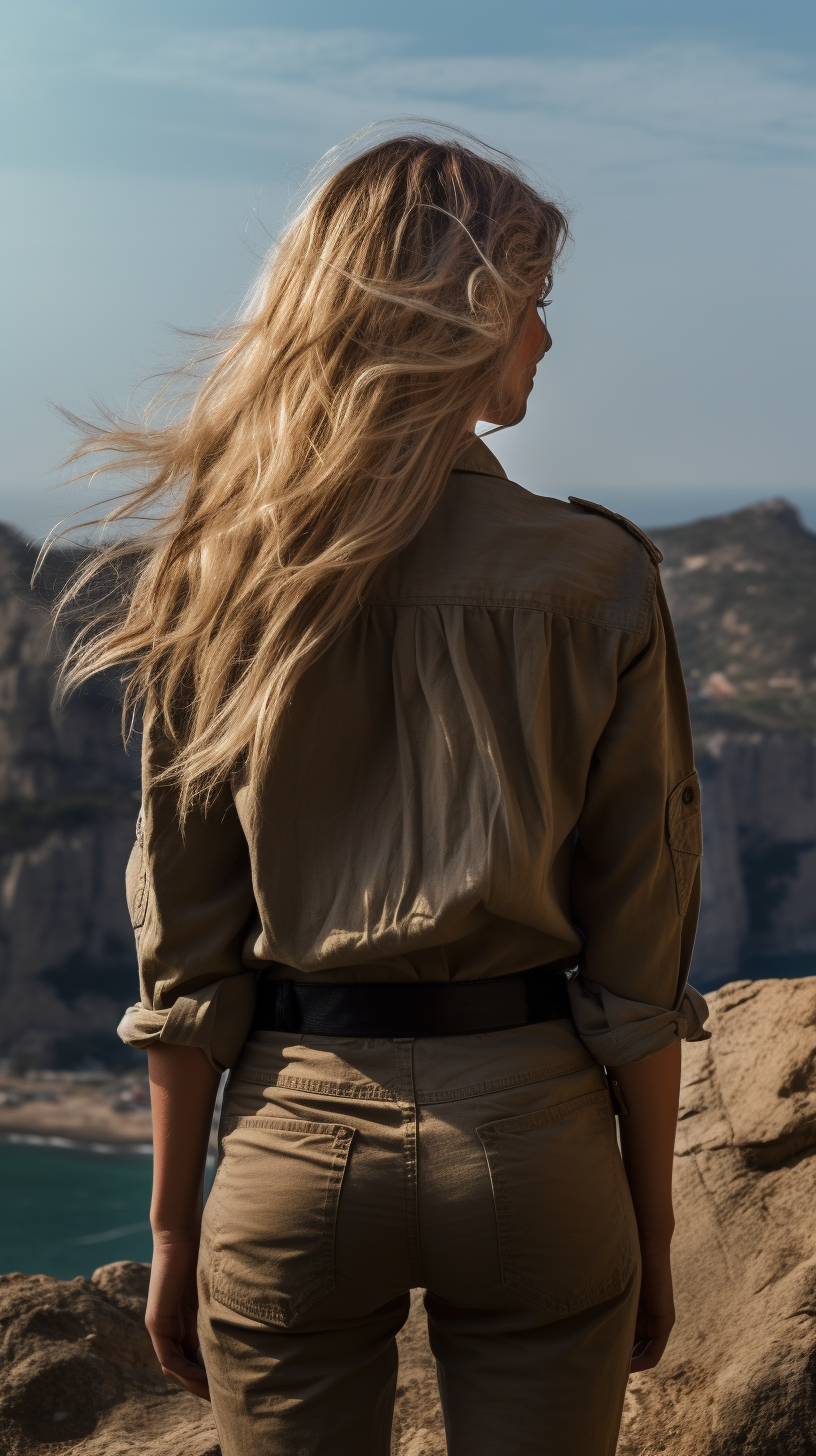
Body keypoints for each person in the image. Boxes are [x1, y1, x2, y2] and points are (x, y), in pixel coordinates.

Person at [59, 132, 708, 1456]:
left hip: (295, 1146)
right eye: (529, 301)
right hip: (536, 1146)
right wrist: (649, 1221)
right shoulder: (599, 576)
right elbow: (641, 953)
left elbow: (187, 956)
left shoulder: (212, 578)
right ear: (459, 314)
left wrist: (175, 1231)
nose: (541, 339)